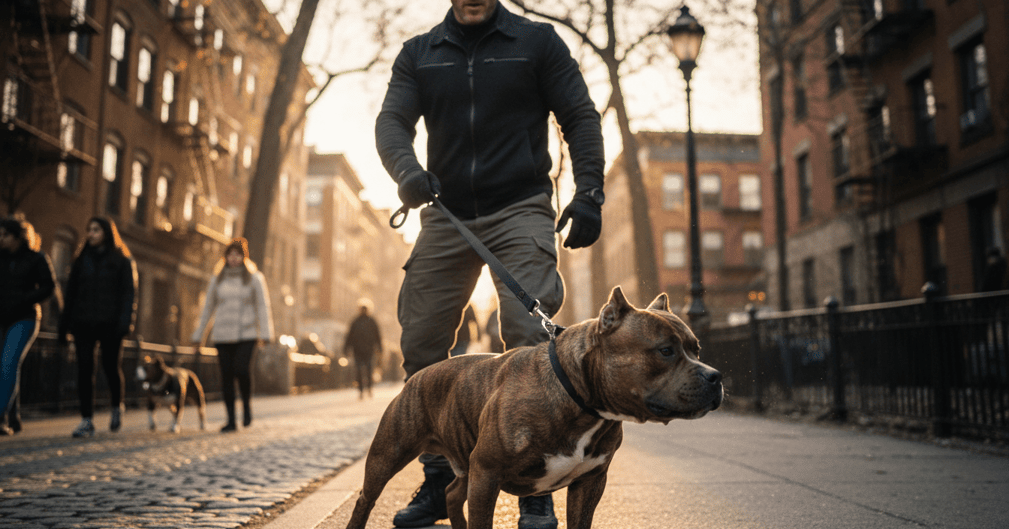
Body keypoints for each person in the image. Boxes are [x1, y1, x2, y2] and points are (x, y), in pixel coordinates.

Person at [375, 0, 605, 526]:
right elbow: (391, 121)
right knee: (422, 343)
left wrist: (589, 190)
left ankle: (536, 487)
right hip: (443, 211)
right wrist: (406, 171)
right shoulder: (419, 53)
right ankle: (439, 480)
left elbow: (578, 115)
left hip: (520, 207)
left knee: (529, 335)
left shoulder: (537, 43)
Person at [58, 217, 137, 438]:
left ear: (106, 233)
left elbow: (128, 294)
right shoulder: (81, 259)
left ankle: (116, 406)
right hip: (83, 323)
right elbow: (70, 293)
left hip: (111, 324)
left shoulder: (122, 260)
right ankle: (86, 420)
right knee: (85, 369)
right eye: (89, 230)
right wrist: (64, 327)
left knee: (111, 367)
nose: (91, 234)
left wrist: (125, 323)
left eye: (96, 230)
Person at [191, 238, 274, 432]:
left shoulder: (254, 279)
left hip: (247, 334)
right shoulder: (217, 279)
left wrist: (266, 333)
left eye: (238, 255)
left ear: (243, 257)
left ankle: (246, 407)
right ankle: (230, 419)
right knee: (226, 376)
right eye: (231, 254)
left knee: (242, 370)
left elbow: (263, 306)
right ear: (226, 257)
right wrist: (198, 335)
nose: (234, 258)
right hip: (222, 334)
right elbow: (208, 308)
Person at [0, 215, 58, 436]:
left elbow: (49, 286)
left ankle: (1, 417)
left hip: (24, 318)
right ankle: (14, 417)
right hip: (1, 317)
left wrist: (25, 298)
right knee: (5, 367)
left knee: (8, 363)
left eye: (5, 235)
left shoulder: (36, 258)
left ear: (17, 237)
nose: (1, 239)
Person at [343, 299, 383, 399]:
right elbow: (378, 336)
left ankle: (362, 390)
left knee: (360, 370)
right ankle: (368, 388)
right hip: (368, 350)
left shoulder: (356, 321)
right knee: (368, 370)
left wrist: (346, 348)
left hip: (359, 350)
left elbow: (349, 336)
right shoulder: (371, 321)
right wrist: (380, 348)